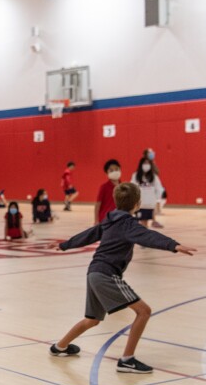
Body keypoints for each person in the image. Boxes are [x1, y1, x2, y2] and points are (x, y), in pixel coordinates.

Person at [48, 182, 197, 373]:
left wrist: (65, 245)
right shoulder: (128, 224)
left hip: (93, 272)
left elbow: (89, 234)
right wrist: (173, 245)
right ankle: (127, 360)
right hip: (106, 274)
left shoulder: (109, 220)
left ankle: (59, 347)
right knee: (144, 311)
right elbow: (148, 236)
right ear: (137, 204)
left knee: (92, 319)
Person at [132, 157, 164, 228]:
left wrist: (156, 199)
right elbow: (132, 188)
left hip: (149, 204)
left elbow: (159, 188)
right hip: (140, 204)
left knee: (145, 223)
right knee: (142, 223)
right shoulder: (136, 176)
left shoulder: (154, 177)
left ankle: (145, 235)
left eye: (148, 163)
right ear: (141, 164)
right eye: (144, 163)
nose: (146, 165)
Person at [96, 159, 122, 225]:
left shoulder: (123, 187)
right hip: (105, 220)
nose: (114, 171)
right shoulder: (104, 187)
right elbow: (98, 204)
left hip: (119, 219)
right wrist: (96, 220)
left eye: (116, 169)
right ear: (106, 172)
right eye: (111, 170)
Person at [143, 148, 167, 215]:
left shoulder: (152, 162)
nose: (152, 153)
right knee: (155, 195)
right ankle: (156, 211)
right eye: (150, 152)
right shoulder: (146, 162)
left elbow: (157, 171)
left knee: (160, 194)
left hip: (154, 180)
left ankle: (157, 210)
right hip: (150, 181)